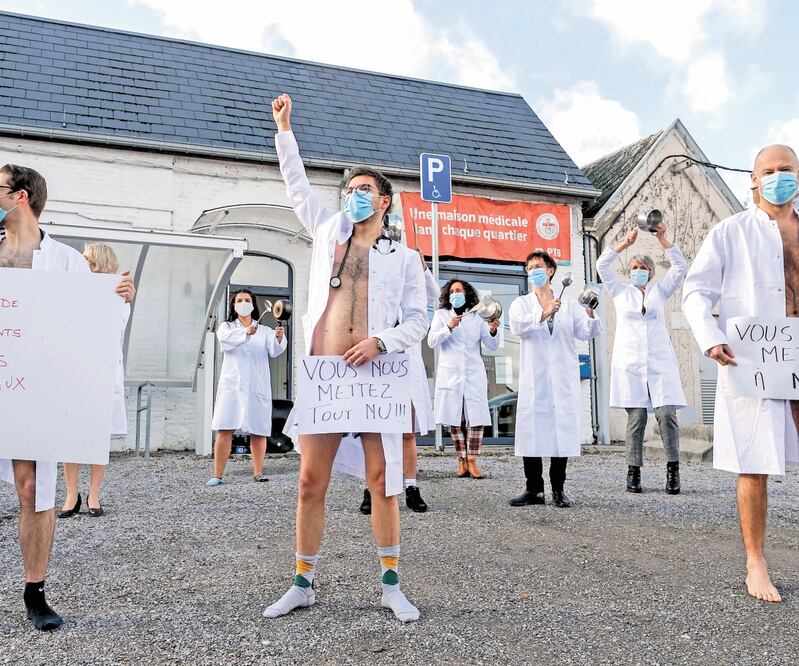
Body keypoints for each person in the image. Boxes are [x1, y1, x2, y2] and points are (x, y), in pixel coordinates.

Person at [264, 94, 427, 623]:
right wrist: (285, 131)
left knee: (384, 482)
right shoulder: (328, 233)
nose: (353, 197)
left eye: (363, 191)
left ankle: (390, 585)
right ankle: (302, 582)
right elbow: (297, 188)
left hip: (377, 376)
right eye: (349, 190)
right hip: (326, 375)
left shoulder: (405, 259)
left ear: (384, 201)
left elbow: (418, 323)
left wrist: (382, 342)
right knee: (311, 481)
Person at [0, 164, 135, 630]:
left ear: (20, 197)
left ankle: (35, 591)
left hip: (32, 388)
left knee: (33, 489)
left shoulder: (66, 262)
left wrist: (118, 298)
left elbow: (94, 331)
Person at [682, 144, 799, 603]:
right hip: (758, 359)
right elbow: (695, 292)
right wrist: (710, 337)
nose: (777, 177)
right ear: (752, 180)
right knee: (754, 463)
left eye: (785, 169)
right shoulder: (730, 232)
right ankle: (755, 561)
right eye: (767, 171)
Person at [596, 224, 688, 494]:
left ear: (651, 272)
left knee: (667, 415)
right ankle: (633, 473)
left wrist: (663, 240)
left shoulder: (661, 291)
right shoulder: (620, 292)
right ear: (629, 272)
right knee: (636, 419)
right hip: (631, 365)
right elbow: (602, 265)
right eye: (634, 267)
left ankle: (673, 472)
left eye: (643, 268)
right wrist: (624, 244)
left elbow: (680, 267)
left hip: (659, 363)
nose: (638, 271)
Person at [508, 251, 602, 508]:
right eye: (530, 268)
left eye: (538, 266)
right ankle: (534, 489)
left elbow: (586, 332)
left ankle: (558, 489)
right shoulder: (522, 304)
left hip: (561, 378)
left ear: (550, 270)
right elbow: (517, 327)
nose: (534, 271)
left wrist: (590, 311)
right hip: (535, 378)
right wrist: (544, 313)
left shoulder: (569, 304)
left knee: (561, 432)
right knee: (532, 432)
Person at [360, 249, 437, 515]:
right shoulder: (373, 286)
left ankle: (412, 487)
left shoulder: (410, 277)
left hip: (405, 364)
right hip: (375, 365)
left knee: (406, 433)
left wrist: (423, 267)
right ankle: (370, 488)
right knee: (372, 432)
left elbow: (433, 295)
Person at [59, 243, 131, 518]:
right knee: (71, 435)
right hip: (74, 370)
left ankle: (94, 493)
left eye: (88, 260)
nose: (84, 264)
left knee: (98, 436)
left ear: (100, 263)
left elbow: (115, 328)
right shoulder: (71, 292)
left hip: (102, 371)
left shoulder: (117, 295)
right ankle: (70, 493)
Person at [207, 289, 287, 486]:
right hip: (232, 385)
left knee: (258, 428)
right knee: (225, 427)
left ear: (253, 304)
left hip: (256, 385)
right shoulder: (227, 327)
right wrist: (245, 332)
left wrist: (277, 336)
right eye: (239, 300)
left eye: (247, 300)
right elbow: (225, 341)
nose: (243, 303)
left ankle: (258, 472)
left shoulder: (264, 330)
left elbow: (275, 350)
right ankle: (218, 474)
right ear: (234, 305)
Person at [428, 279, 500, 479]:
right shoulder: (441, 315)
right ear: (447, 295)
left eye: (459, 290)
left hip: (473, 373)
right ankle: (461, 459)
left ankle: (473, 460)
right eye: (452, 291)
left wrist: (493, 329)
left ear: (466, 293)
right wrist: (448, 327)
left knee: (476, 419)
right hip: (450, 373)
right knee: (455, 419)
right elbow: (432, 341)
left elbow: (491, 345)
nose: (455, 294)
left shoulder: (477, 317)